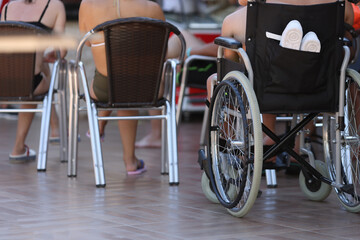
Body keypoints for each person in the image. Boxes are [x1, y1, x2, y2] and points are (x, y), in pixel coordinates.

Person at [205, 0, 354, 164]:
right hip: (320, 89)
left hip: (268, 89)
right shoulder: (341, 5)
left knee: (223, 78)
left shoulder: (239, 19)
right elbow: (347, 51)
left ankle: (240, 145)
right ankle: (299, 143)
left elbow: (231, 66)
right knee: (315, 62)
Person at [78, 0, 167, 174]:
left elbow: (87, 42)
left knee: (118, 84)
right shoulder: (152, 8)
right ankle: (130, 161)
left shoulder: (88, 5)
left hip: (104, 88)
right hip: (148, 88)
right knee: (129, 85)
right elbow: (161, 47)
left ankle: (100, 125)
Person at [1, 0, 67, 161]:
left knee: (38, 70)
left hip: (3, 81)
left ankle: (55, 128)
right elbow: (61, 51)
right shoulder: (54, 6)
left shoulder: (8, 7)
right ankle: (19, 147)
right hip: (29, 83)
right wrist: (50, 56)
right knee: (38, 80)